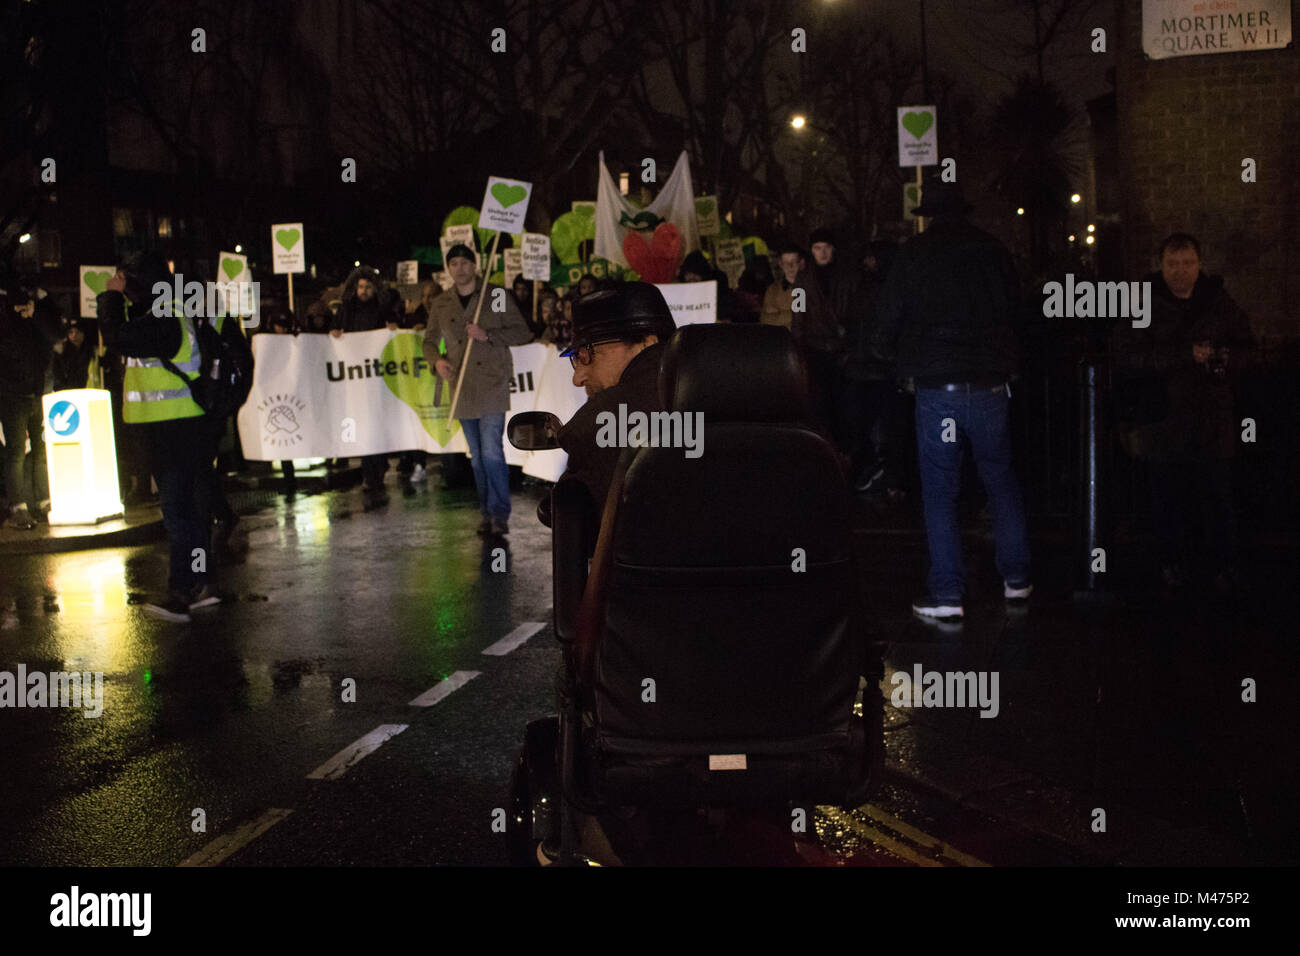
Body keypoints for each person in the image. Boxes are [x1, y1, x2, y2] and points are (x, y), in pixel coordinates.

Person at [871, 175, 1031, 622]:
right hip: (990, 385)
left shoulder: (913, 256)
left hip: (936, 389)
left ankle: (947, 591)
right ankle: (1017, 579)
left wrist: (899, 360)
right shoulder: (993, 252)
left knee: (940, 489)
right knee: (1000, 479)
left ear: (928, 215)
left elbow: (884, 325)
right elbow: (1017, 312)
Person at [1110, 233, 1254, 595]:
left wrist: (1225, 359)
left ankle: (1223, 565)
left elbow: (1246, 348)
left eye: (1187, 263)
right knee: (1166, 497)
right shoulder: (1142, 303)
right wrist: (1183, 356)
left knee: (1217, 495)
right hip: (1163, 417)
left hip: (1211, 417)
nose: (1180, 272)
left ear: (1199, 264)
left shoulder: (1218, 301)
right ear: (1161, 265)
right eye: (1173, 264)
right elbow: (1126, 356)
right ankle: (1169, 564)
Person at [97, 250, 221, 621]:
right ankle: (203, 583)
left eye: (128, 279)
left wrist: (110, 297)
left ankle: (183, 590)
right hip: (181, 426)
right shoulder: (168, 310)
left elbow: (117, 337)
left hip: (174, 430)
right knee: (188, 512)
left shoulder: (164, 315)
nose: (126, 287)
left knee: (178, 514)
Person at [543, 282, 678, 535]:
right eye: (576, 359)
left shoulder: (600, 420)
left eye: (587, 356)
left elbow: (576, 520)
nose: (578, 378)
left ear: (646, 343)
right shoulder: (738, 407)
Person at [424, 244, 532, 535]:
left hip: (491, 383)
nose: (459, 268)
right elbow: (429, 341)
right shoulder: (441, 304)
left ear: (475, 265)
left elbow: (521, 332)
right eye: (454, 263)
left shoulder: (494, 295)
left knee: (492, 452)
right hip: (460, 386)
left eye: (464, 262)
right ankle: (486, 512)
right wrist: (437, 362)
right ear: (448, 268)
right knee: (476, 455)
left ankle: (499, 514)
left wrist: (487, 335)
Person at [330, 266, 393, 508]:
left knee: (376, 422)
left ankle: (378, 464)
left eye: (368, 287)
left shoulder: (382, 309)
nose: (364, 291)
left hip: (376, 377)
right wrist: (335, 333)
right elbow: (334, 330)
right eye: (360, 287)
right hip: (356, 378)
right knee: (364, 422)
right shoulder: (347, 310)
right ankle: (370, 471)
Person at [0, 282, 59, 528]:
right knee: (16, 452)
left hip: (39, 394)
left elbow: (54, 337)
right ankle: (18, 506)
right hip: (13, 396)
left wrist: (35, 316)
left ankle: (43, 501)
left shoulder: (37, 322)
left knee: (41, 451)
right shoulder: (6, 324)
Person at [51, 316, 102, 391]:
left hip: (89, 391)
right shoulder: (61, 353)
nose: (74, 335)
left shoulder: (94, 352)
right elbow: (57, 375)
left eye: (78, 332)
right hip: (68, 393)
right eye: (70, 332)